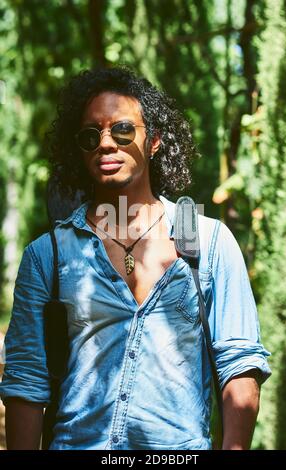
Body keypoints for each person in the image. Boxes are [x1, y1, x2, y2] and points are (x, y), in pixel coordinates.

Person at [0, 66, 271, 450]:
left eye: (122, 130)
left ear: (155, 139)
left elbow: (239, 362)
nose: (105, 144)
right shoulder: (49, 254)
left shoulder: (208, 241)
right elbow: (27, 379)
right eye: (90, 135)